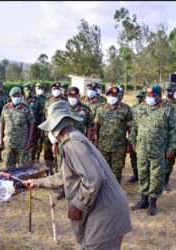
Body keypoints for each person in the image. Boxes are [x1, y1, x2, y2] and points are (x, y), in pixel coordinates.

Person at [23, 100, 132, 250]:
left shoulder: (72, 142)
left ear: (55, 127)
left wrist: (78, 205)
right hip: (105, 209)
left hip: (104, 213)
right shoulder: (73, 139)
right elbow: (64, 176)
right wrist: (37, 182)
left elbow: (93, 178)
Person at [130, 85, 176, 216]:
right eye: (148, 95)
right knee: (143, 174)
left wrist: (171, 149)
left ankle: (153, 203)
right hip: (141, 149)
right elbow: (134, 128)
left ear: (159, 96)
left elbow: (174, 132)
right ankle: (143, 201)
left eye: (153, 96)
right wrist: (133, 142)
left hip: (159, 150)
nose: (150, 98)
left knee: (156, 177)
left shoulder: (168, 110)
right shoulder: (140, 108)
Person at [94, 85, 132, 184]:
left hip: (119, 146)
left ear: (119, 95)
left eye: (115, 94)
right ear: (107, 95)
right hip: (103, 146)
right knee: (103, 170)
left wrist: (129, 144)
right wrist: (96, 142)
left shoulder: (125, 109)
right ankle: (105, 192)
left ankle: (116, 194)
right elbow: (97, 127)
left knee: (117, 171)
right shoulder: (101, 108)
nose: (112, 96)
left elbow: (130, 128)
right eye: (110, 94)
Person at [0, 87, 35, 168]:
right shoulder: (5, 108)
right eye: (14, 96)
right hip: (9, 143)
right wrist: (0, 140)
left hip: (22, 143)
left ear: (21, 96)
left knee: (23, 167)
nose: (16, 98)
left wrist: (30, 139)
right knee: (9, 167)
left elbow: (32, 123)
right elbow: (2, 122)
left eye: (18, 95)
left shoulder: (26, 108)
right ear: (10, 97)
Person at [128, 89, 146, 183]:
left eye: (141, 97)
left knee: (143, 157)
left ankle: (143, 176)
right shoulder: (132, 108)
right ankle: (135, 174)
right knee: (133, 155)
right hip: (134, 135)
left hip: (144, 136)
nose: (139, 99)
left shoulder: (147, 108)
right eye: (138, 97)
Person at [22, 82, 43, 161]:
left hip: (34, 128)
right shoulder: (20, 100)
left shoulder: (37, 101)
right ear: (24, 90)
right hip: (22, 129)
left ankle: (33, 161)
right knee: (23, 147)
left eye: (31, 89)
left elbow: (41, 115)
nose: (29, 91)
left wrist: (40, 129)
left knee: (34, 146)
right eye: (27, 89)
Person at [35, 82, 47, 160]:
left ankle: (39, 156)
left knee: (43, 141)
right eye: (38, 88)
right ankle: (36, 158)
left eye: (42, 88)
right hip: (35, 123)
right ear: (35, 89)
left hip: (45, 123)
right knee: (36, 142)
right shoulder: (33, 98)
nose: (40, 89)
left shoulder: (46, 99)